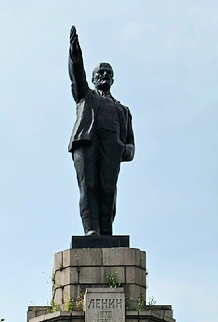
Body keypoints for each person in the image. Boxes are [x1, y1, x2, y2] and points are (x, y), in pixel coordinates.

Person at [69, 26, 135, 236]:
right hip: (87, 142)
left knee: (108, 191)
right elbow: (76, 74)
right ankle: (91, 231)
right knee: (88, 187)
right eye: (100, 72)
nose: (104, 74)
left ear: (112, 80)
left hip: (111, 149)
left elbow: (130, 139)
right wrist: (75, 53)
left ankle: (106, 231)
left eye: (108, 73)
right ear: (93, 79)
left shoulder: (123, 110)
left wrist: (128, 148)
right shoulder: (85, 95)